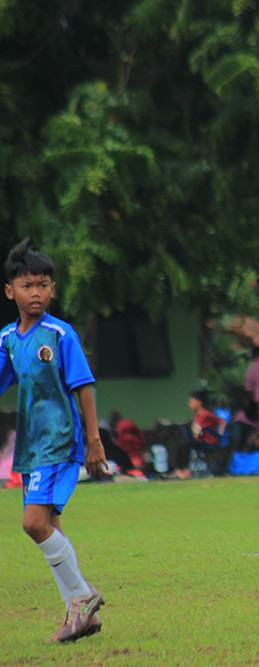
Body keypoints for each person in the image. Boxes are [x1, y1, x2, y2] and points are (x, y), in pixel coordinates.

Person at [0, 238, 107, 642]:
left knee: (33, 524)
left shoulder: (61, 335)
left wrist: (94, 441)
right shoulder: (8, 338)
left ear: (53, 290)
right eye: (27, 285)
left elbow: (84, 387)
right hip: (31, 446)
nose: (37, 293)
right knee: (51, 527)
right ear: (10, 291)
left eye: (44, 284)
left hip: (59, 441)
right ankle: (82, 617)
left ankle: (83, 596)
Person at [173, 390, 227, 479]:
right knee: (181, 445)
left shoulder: (206, 414)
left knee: (186, 444)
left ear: (199, 403)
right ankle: (179, 470)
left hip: (208, 443)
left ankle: (186, 471)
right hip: (199, 441)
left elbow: (222, 423)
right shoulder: (196, 416)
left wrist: (219, 436)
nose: (190, 404)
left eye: (192, 402)